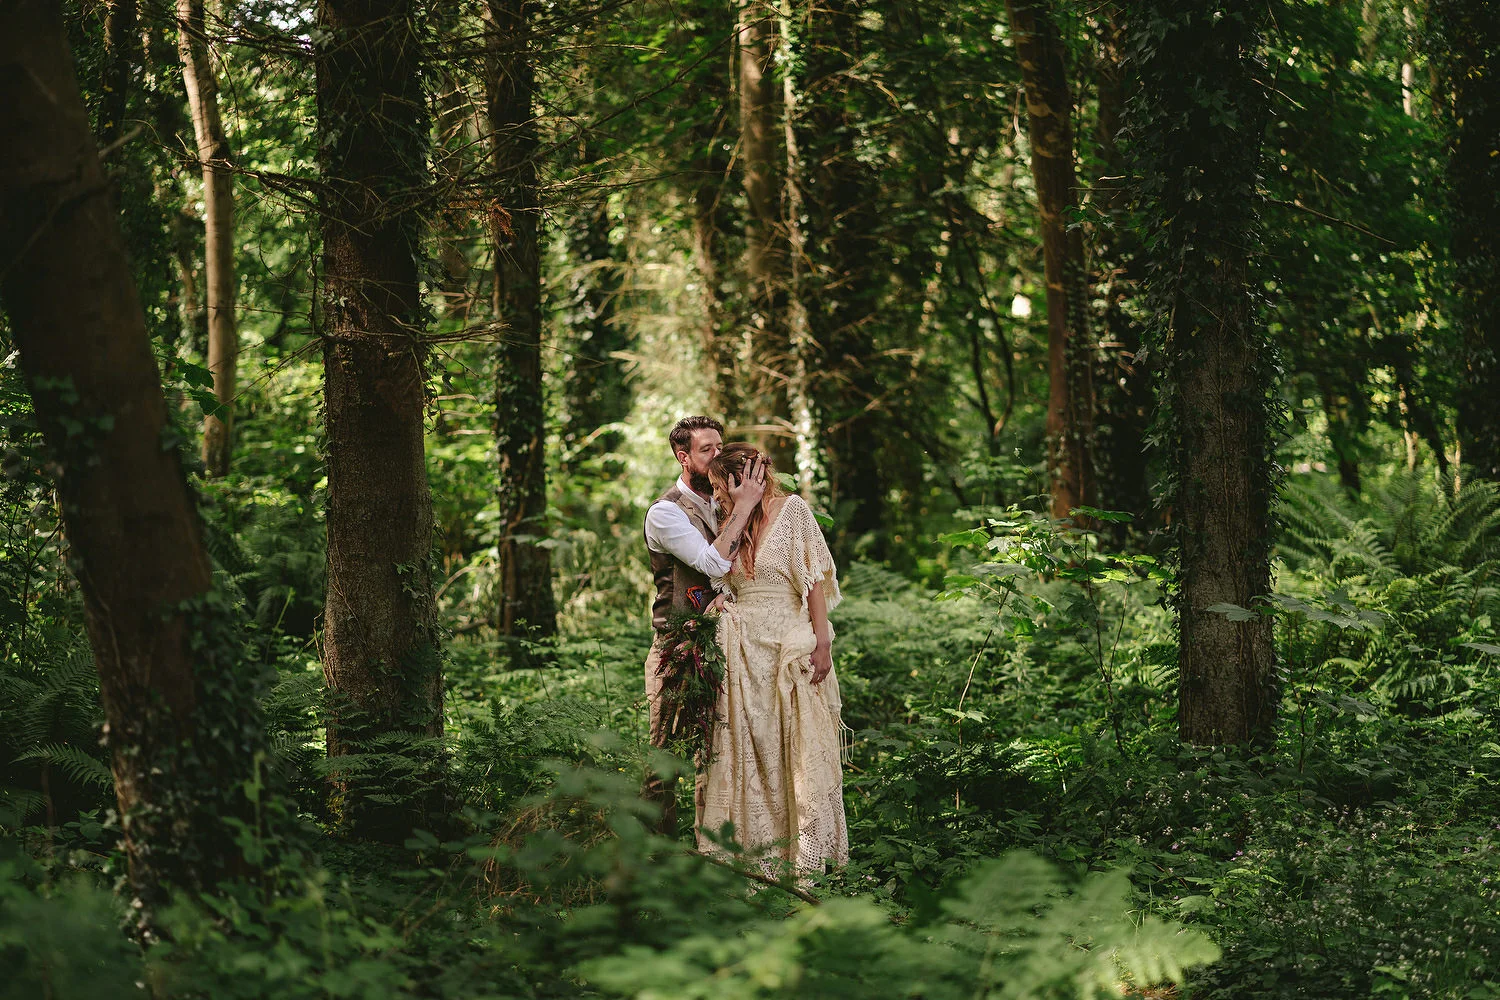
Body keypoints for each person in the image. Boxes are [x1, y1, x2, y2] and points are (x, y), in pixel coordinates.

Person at [699, 442, 848, 873]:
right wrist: (723, 601)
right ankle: (752, 857)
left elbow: (814, 580)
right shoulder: (732, 521)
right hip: (743, 653)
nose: (718, 496)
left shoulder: (794, 509)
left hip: (787, 643)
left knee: (796, 748)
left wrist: (823, 643)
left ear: (738, 478)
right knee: (752, 749)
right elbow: (721, 577)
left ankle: (803, 857)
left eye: (719, 486)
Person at [643, 416, 766, 834]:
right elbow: (714, 564)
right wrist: (746, 506)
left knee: (720, 753)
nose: (717, 456)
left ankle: (712, 848)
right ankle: (654, 858)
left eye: (720, 447)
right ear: (683, 457)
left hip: (729, 644)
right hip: (676, 649)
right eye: (705, 450)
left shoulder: (722, 502)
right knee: (666, 759)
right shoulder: (665, 513)